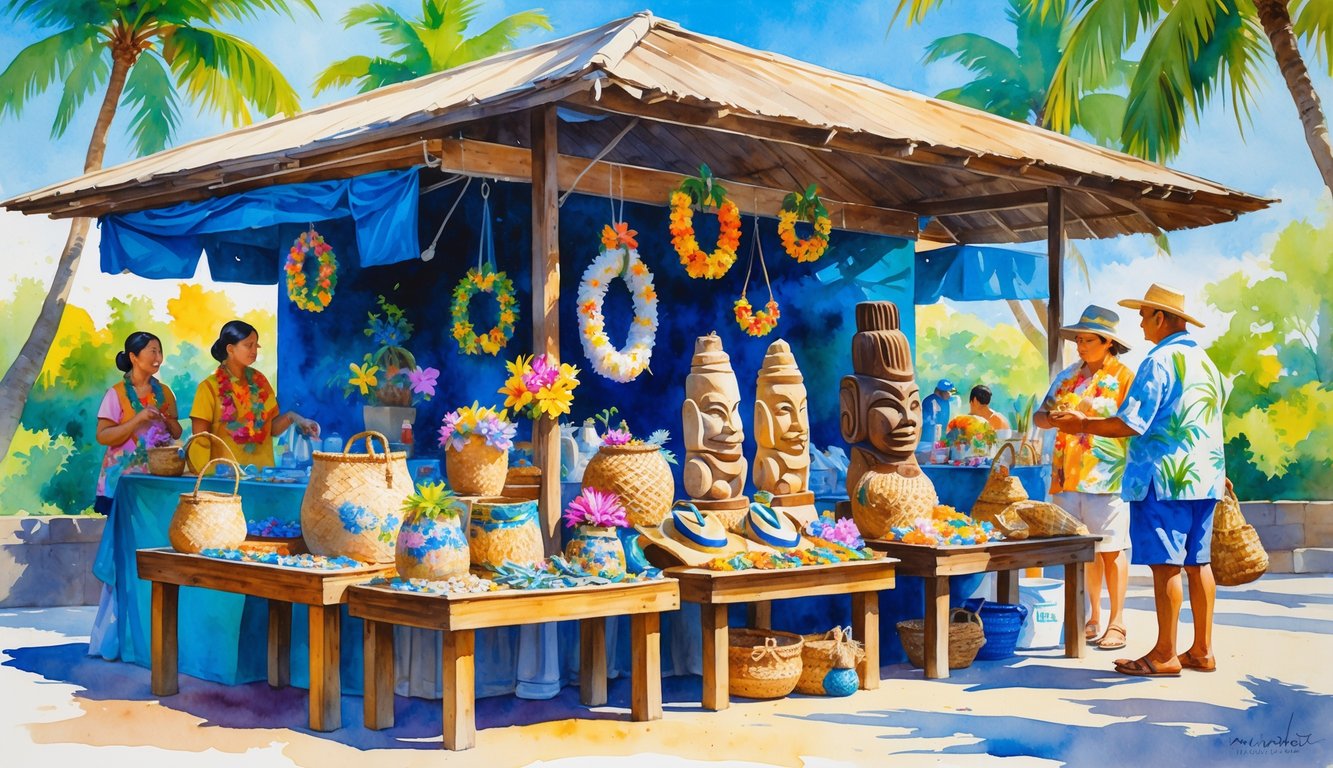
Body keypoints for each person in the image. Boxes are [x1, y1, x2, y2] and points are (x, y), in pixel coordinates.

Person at [1050, 284, 1225, 677]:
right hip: (1205, 476)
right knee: (1199, 564)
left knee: (1166, 566)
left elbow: (1131, 422)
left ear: (1161, 318)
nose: (1142, 325)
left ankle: (1164, 653)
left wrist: (1082, 423)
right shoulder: (1206, 362)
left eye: (1145, 316)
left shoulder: (1158, 361)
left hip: (1163, 478)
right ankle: (1202, 650)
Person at [1034, 305, 1135, 650]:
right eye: (1077, 339)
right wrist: (1054, 418)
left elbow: (1132, 424)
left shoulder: (1124, 378)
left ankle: (1117, 621)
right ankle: (1092, 616)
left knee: (1112, 549)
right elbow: (1039, 416)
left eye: (1087, 339)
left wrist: (1085, 420)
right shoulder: (1067, 377)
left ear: (1108, 342)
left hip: (1106, 477)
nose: (1079, 345)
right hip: (1065, 477)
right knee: (1082, 551)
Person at [191, 320, 318, 469]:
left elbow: (272, 429)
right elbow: (200, 440)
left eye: (255, 345)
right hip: (226, 478)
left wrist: (295, 418)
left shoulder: (260, 382)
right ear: (230, 349)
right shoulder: (209, 387)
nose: (254, 351)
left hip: (263, 474)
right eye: (248, 345)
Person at [94, 332, 182, 513]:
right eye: (153, 351)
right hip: (122, 477)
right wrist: (138, 419)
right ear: (133, 357)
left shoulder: (165, 392)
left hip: (156, 477)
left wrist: (166, 419)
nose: (158, 358)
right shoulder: (116, 393)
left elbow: (177, 432)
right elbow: (103, 436)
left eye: (160, 352)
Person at [920, 379, 957, 449]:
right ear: (940, 392)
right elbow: (931, 422)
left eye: (951, 391)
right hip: (928, 442)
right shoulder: (930, 401)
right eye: (948, 391)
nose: (950, 394)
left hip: (941, 440)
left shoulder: (946, 401)